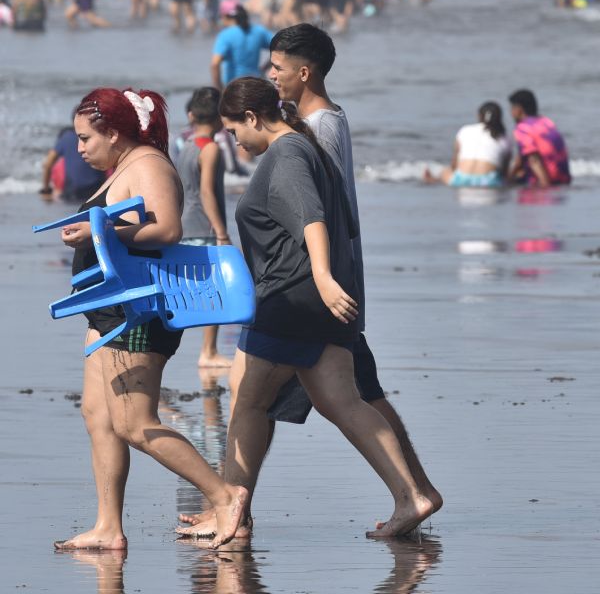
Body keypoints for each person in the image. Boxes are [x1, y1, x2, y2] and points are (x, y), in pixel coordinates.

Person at [179, 72, 438, 540]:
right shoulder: (304, 146)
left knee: (249, 401)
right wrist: (329, 283)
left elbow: (311, 218)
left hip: (291, 296)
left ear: (254, 117)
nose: (234, 141)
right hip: (316, 299)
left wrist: (321, 278)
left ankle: (230, 510)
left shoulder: (288, 153)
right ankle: (410, 495)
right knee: (340, 400)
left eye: (235, 130)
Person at [52, 86, 247, 551]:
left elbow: (168, 227)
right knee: (97, 415)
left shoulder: (150, 164)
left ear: (113, 132)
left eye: (85, 138)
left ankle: (224, 495)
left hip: (136, 311)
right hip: (105, 309)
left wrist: (98, 228)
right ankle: (108, 527)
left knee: (135, 422)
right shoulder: (124, 167)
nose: (79, 148)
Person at [175, 88, 231, 368]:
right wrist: (222, 233)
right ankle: (208, 351)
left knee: (182, 292)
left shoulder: (184, 147)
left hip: (183, 226)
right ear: (221, 118)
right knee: (215, 291)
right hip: (204, 228)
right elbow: (207, 193)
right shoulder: (210, 149)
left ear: (191, 115)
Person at [423, 102, 510, 187]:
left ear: (479, 116)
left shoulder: (465, 130)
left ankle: (432, 180)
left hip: (461, 180)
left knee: (445, 171)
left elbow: (454, 165)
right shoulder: (504, 138)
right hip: (489, 182)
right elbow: (504, 172)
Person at [507, 90, 570, 187]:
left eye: (512, 108)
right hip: (564, 179)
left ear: (519, 109)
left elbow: (534, 159)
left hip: (547, 181)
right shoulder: (547, 122)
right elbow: (522, 158)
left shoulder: (523, 128)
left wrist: (545, 185)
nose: (511, 113)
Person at [211, 0, 272, 91]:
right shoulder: (259, 31)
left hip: (234, 88)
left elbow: (215, 64)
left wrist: (219, 88)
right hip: (256, 84)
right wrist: (265, 67)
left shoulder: (225, 35)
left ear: (225, 16)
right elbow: (281, 48)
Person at [40, 120, 105, 202]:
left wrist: (46, 189)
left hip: (73, 192)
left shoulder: (66, 137)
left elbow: (47, 164)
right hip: (98, 191)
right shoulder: (102, 134)